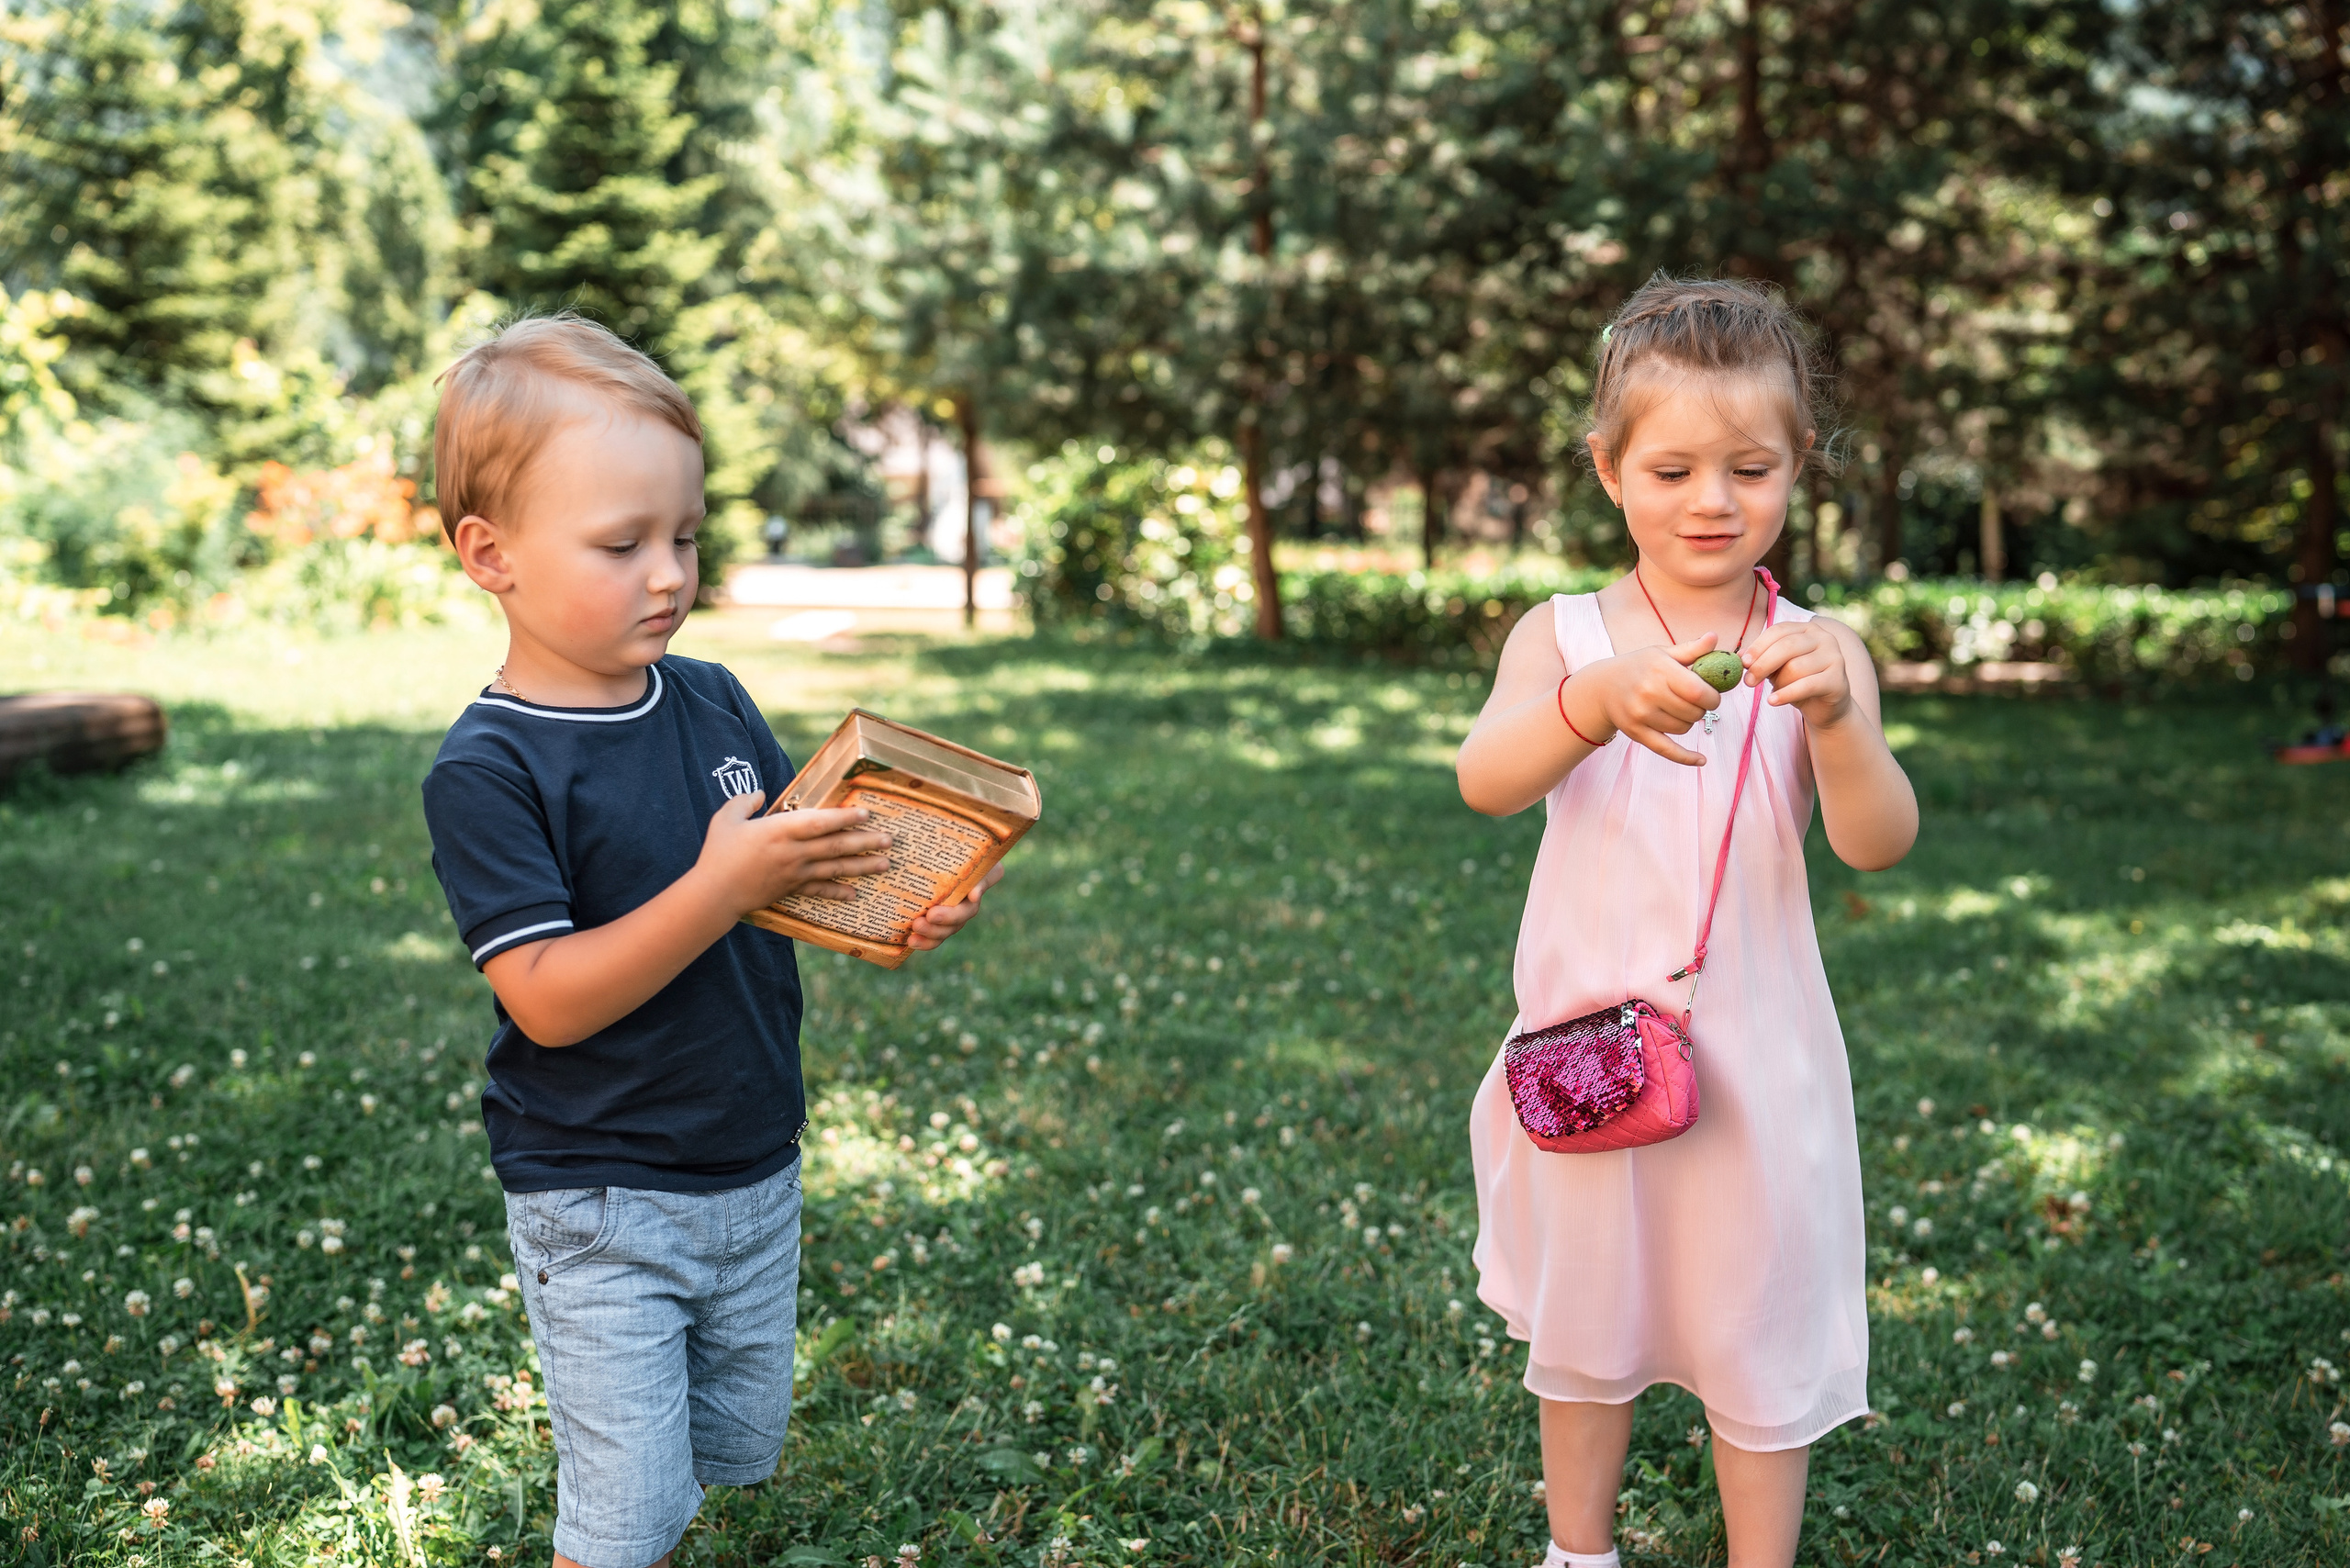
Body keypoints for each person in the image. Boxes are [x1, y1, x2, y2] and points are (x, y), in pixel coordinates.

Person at [419, 314, 999, 1568]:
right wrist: (716, 886)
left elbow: (794, 877)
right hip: (603, 1192)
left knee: (709, 1465)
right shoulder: (492, 768)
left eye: (684, 536)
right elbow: (549, 1003)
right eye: (621, 543)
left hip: (749, 1163)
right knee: (621, 1517)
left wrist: (906, 897)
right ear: (490, 554)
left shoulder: (715, 699)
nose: (669, 573)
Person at [1455, 276, 1918, 1568]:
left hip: (1756, 1057)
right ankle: (1578, 1552)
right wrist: (1590, 701)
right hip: (1588, 1044)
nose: (1712, 501)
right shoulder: (1565, 639)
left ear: (1797, 469)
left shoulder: (1818, 647)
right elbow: (1485, 783)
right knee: (1589, 1316)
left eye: (1749, 468)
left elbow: (1875, 841)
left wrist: (1840, 717)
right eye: (1670, 469)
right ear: (1608, 469)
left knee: (1753, 1311)